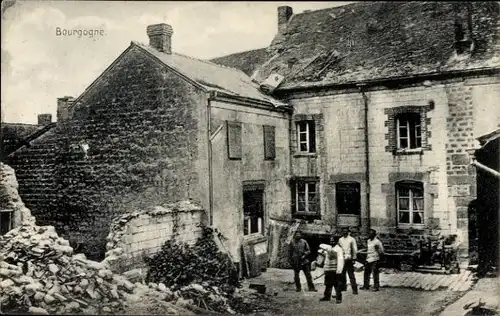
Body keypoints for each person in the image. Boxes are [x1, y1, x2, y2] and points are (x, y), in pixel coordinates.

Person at [319, 235, 344, 303]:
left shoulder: (339, 249)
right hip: (328, 268)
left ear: (336, 241)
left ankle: (338, 298)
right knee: (328, 284)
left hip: (335, 269)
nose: (332, 242)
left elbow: (341, 260)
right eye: (330, 241)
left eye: (333, 241)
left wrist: (339, 270)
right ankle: (327, 296)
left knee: (336, 284)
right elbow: (321, 245)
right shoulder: (329, 247)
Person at [339, 227, 358, 294]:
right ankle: (343, 287)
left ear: (348, 232)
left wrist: (354, 258)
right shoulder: (340, 239)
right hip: (342, 259)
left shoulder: (352, 239)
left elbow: (355, 250)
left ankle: (355, 290)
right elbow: (339, 249)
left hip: (349, 259)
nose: (344, 232)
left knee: (351, 275)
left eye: (346, 231)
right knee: (342, 274)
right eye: (343, 231)